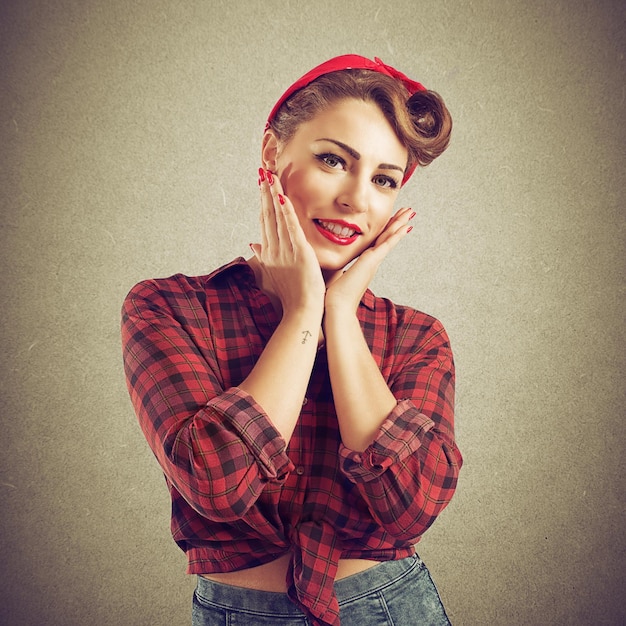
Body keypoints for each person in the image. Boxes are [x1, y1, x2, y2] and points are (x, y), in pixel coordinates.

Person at [121, 54, 462, 626]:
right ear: (273, 155)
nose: (357, 199)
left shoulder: (416, 336)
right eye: (334, 160)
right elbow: (217, 483)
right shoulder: (167, 308)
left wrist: (341, 316)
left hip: (390, 608)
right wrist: (302, 314)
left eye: (383, 179)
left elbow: (411, 509)